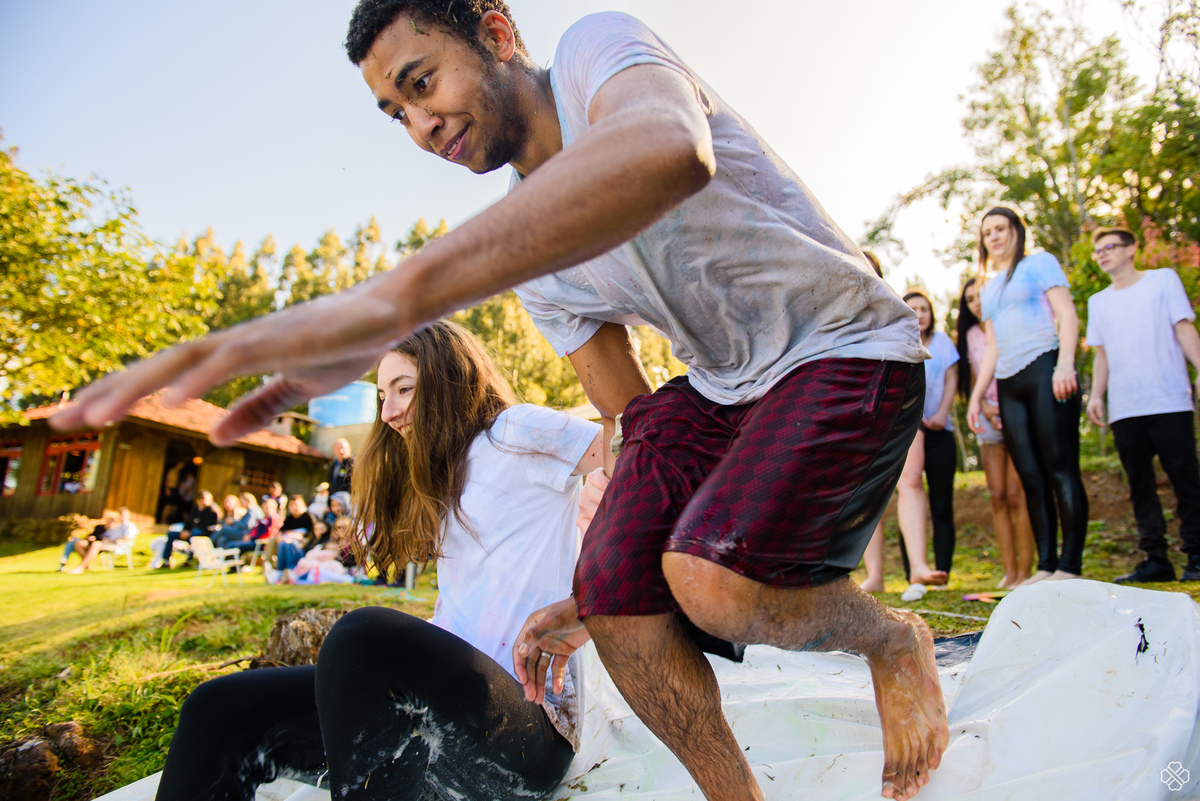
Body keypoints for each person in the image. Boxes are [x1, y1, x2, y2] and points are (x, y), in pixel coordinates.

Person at [54, 5, 948, 798]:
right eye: (394, 112)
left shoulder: (599, 52)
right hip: (718, 387)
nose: (419, 124)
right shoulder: (543, 272)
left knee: (707, 581)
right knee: (620, 583)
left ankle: (886, 636)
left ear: (497, 32)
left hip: (843, 342)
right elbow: (628, 416)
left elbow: (670, 151)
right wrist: (601, 587)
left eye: (421, 83)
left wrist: (398, 299)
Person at [154, 320, 604, 800]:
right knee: (218, 706)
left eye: (403, 389)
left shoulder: (512, 431)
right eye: (381, 396)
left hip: (527, 724)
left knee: (360, 637)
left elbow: (640, 458)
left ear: (449, 379)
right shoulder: (443, 471)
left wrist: (591, 604)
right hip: (437, 705)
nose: (387, 412)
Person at [967, 206, 1089, 584]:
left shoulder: (1040, 263)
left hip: (1045, 368)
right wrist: (974, 397)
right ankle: (1046, 564)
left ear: (1017, 230)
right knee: (1031, 476)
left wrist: (1064, 365)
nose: (995, 237)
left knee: (1060, 467)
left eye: (1001, 228)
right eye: (988, 233)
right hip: (1009, 383)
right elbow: (992, 347)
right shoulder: (987, 287)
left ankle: (1069, 565)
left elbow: (1067, 315)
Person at [1085, 226, 1200, 583]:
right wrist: (1097, 395)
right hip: (1125, 407)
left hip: (1169, 399)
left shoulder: (1163, 281)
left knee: (1185, 479)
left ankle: (1196, 554)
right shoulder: (1098, 301)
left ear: (1132, 249)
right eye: (1098, 250)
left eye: (1111, 247)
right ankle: (1156, 559)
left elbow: (1184, 328)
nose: (1103, 253)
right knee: (1140, 485)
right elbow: (1101, 353)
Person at [959, 278, 1035, 588]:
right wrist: (987, 408)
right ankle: (1009, 571)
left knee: (1018, 495)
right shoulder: (969, 336)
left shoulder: (1013, 325)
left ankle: (1027, 573)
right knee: (998, 495)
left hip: (1018, 414)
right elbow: (975, 375)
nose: (976, 303)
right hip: (988, 417)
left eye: (980, 296)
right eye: (970, 300)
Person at [889, 290, 956, 601]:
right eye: (912, 308)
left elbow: (953, 380)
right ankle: (914, 569)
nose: (920, 313)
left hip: (939, 427)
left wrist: (941, 414)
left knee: (940, 502)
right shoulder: (895, 339)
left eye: (924, 308)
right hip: (907, 423)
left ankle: (937, 569)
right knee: (910, 485)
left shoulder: (943, 342)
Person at [154, 490, 220, 569]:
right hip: (190, 533)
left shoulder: (212, 511)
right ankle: (166, 560)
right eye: (202, 499)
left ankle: (189, 559)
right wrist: (184, 531)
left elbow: (208, 527)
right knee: (171, 534)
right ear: (198, 500)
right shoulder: (196, 509)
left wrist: (190, 532)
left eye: (207, 499)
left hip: (203, 535)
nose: (204, 501)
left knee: (195, 532)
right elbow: (188, 522)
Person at [64, 507, 139, 573]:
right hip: (106, 543)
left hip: (119, 545)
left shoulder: (129, 526)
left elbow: (127, 538)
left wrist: (111, 540)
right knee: (79, 543)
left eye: (123, 515)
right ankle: (86, 565)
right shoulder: (116, 526)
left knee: (96, 544)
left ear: (128, 515)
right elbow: (105, 535)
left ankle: (80, 568)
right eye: (120, 514)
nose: (121, 516)